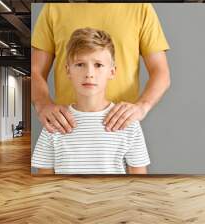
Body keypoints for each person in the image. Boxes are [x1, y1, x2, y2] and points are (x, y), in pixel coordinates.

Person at [31, 3, 171, 139]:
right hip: (65, 128)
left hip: (120, 128)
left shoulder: (140, 7)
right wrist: (43, 104)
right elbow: (35, 70)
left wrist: (142, 107)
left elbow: (160, 71)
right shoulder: (53, 7)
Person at [31, 28, 150, 174]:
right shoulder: (55, 122)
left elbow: (139, 180)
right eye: (80, 64)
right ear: (68, 70)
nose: (89, 74)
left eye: (98, 65)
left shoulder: (127, 122)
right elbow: (44, 183)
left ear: (112, 71)